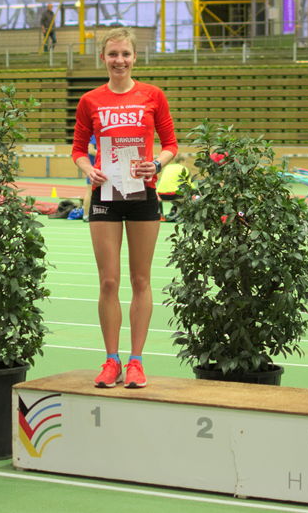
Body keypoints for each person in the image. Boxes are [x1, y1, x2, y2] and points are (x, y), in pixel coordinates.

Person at [71, 27, 178, 389]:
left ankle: (136, 361)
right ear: (103, 57)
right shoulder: (90, 100)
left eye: (125, 54)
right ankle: (111, 360)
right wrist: (89, 168)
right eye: (113, 54)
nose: (119, 60)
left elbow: (171, 144)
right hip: (106, 195)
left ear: (135, 57)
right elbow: (77, 150)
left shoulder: (153, 95)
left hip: (142, 194)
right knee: (108, 281)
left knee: (141, 279)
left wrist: (158, 165)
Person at [81, 135, 97, 222]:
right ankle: (86, 215)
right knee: (89, 190)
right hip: (93, 167)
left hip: (96, 167)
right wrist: (105, 154)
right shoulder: (93, 135)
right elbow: (90, 150)